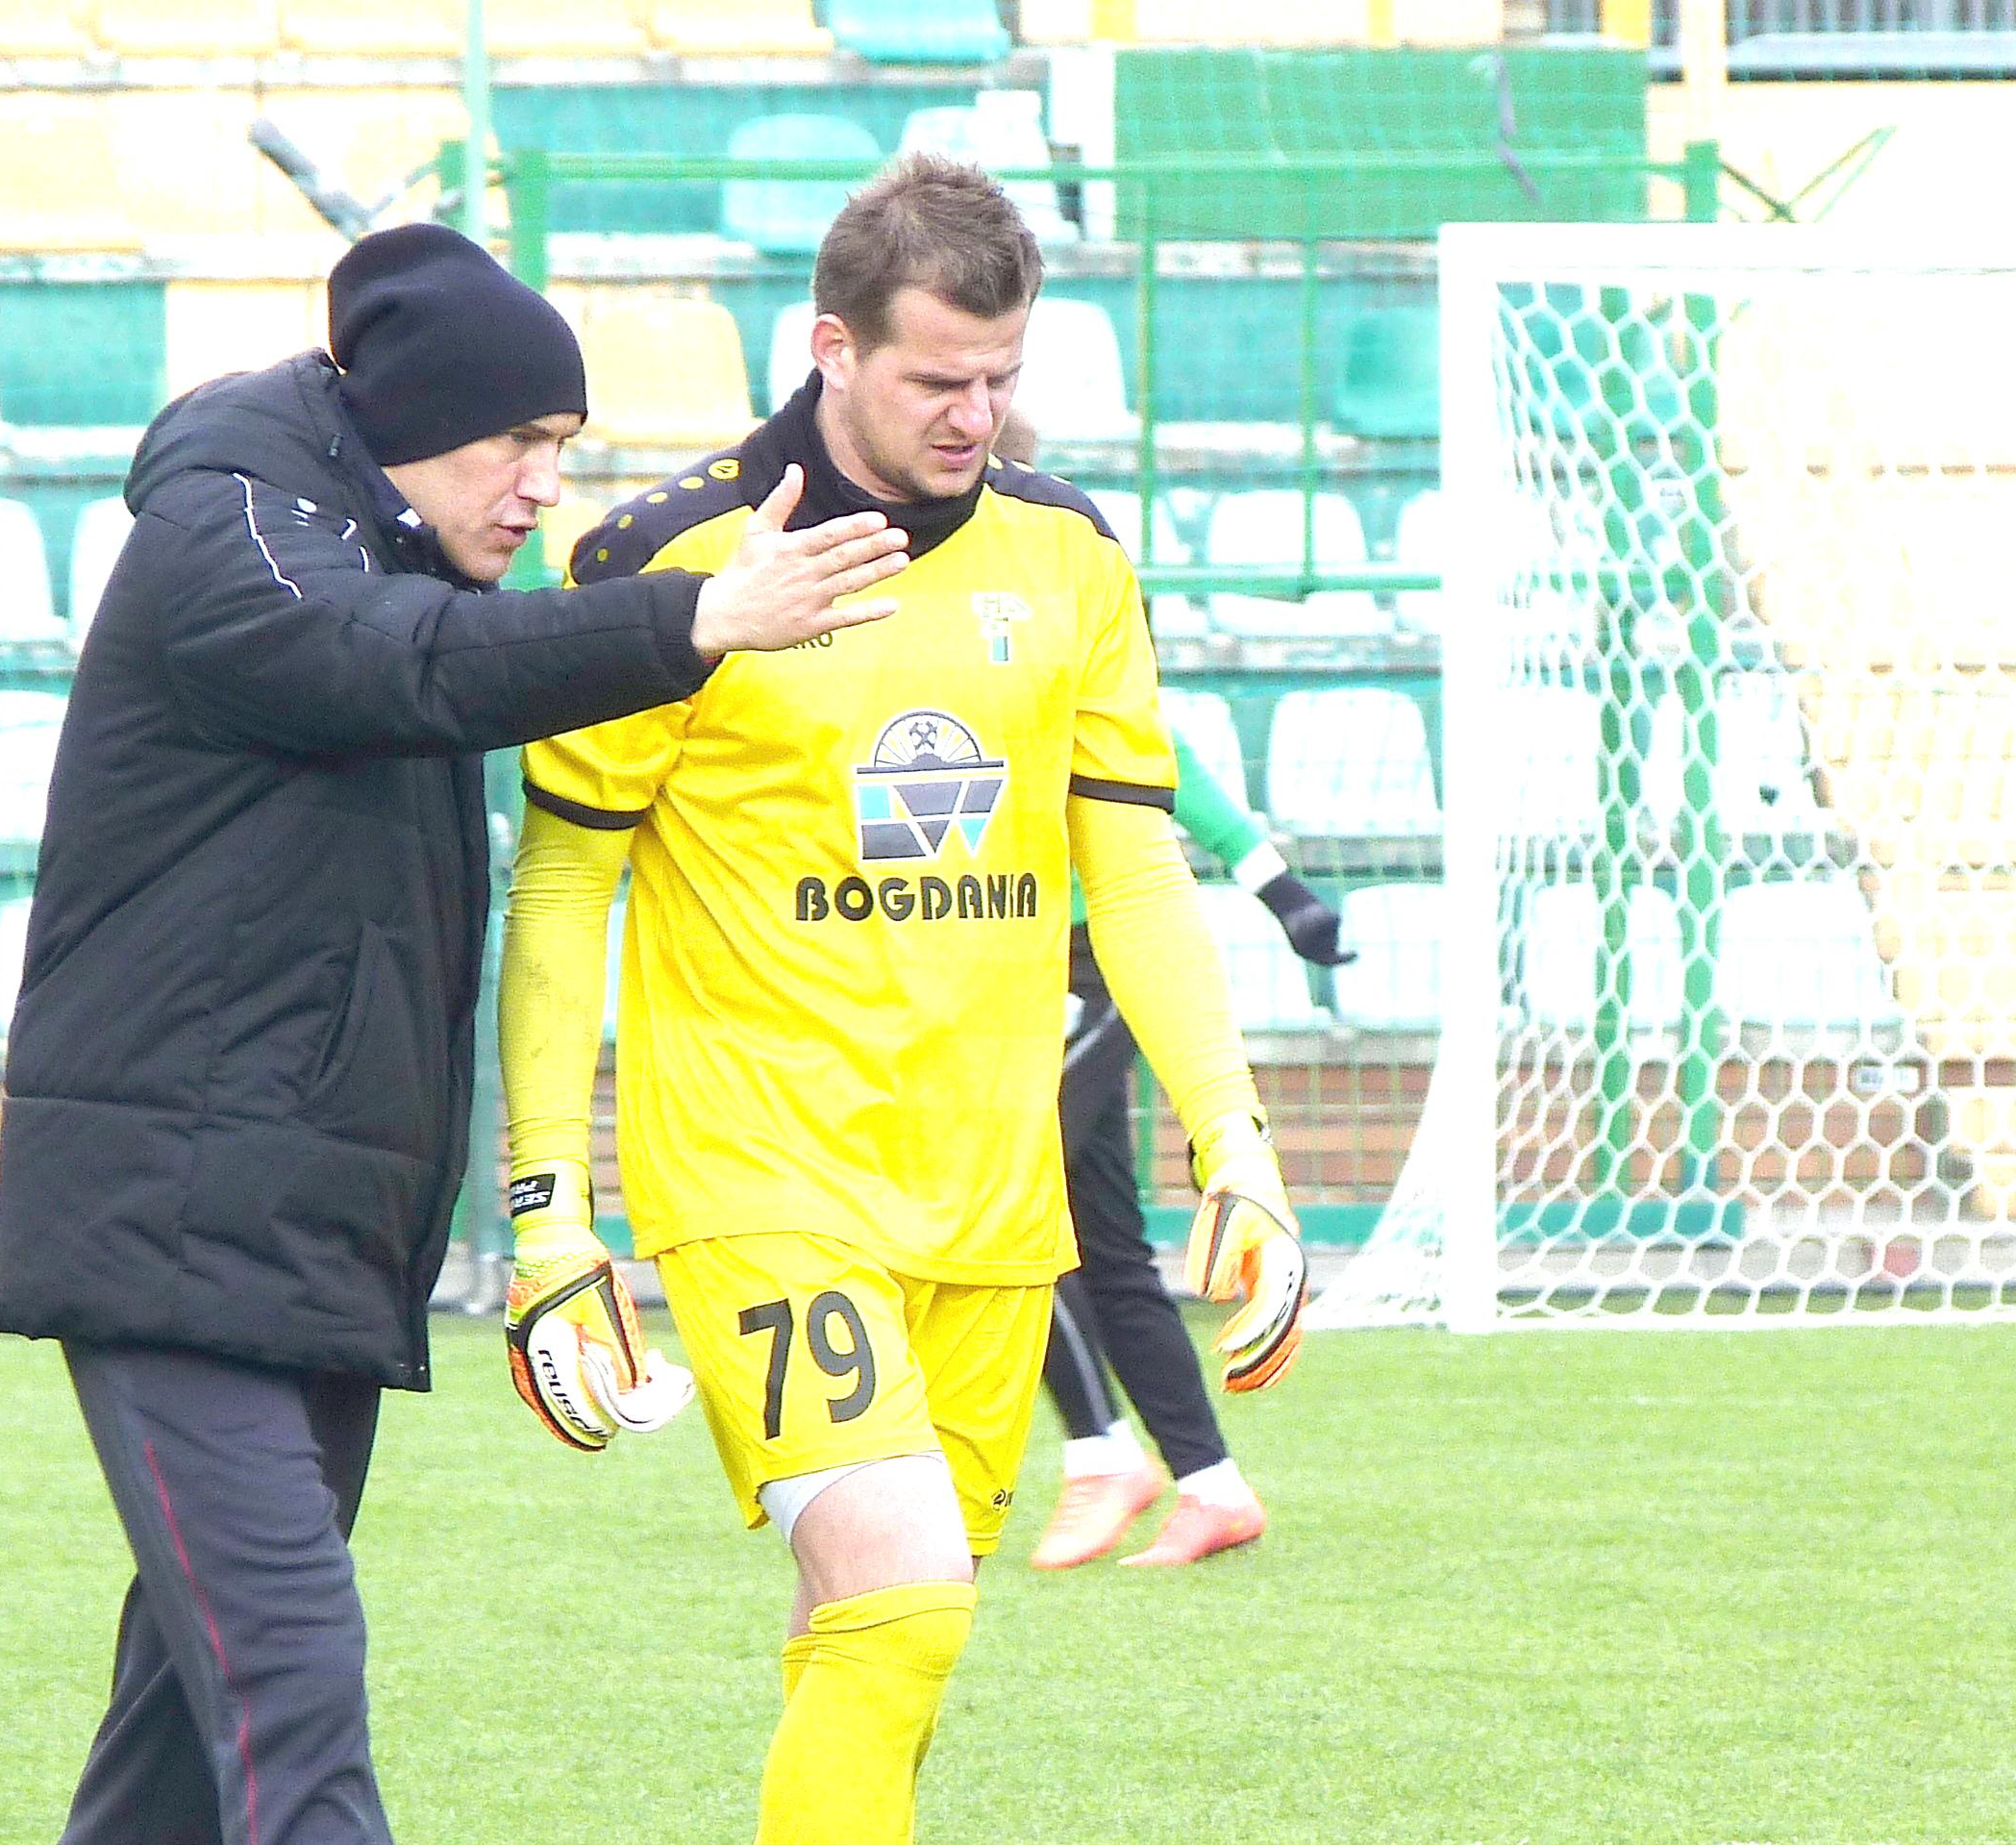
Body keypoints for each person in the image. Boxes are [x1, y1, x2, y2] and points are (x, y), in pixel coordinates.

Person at [0, 220, 913, 1845]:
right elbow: (392, 663)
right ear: (411, 420)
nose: (545, 484)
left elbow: (440, 656)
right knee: (289, 1685)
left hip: (303, 1229)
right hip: (171, 1225)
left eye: (562, 447)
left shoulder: (386, 546)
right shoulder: (240, 541)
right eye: (519, 442)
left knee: (186, 1722)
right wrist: (693, 614)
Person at [495, 156, 1307, 1845]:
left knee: (877, 1640)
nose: (977, 412)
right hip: (761, 1176)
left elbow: (1136, 864)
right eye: (939, 377)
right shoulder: (672, 554)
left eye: (1005, 375)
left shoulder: (1069, 551)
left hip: (989, 1196)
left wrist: (1235, 1131)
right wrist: (544, 1208)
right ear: (831, 347)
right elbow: (568, 880)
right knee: (909, 1585)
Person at [984, 407, 1357, 1571]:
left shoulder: (1063, 575)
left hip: (1087, 953)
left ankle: (1101, 1455)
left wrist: (1278, 886)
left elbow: (1157, 754)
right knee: (1096, 1237)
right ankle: (1211, 1484)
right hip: (987, 958)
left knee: (1001, 1181)